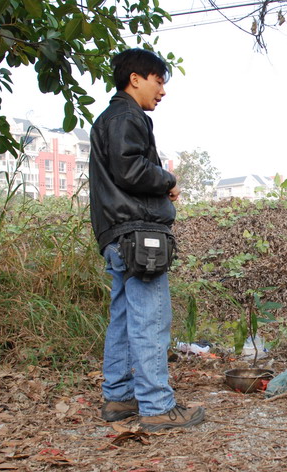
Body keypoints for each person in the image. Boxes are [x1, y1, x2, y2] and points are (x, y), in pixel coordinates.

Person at [88, 48, 205, 431]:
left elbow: (123, 170)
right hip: (138, 234)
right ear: (135, 78)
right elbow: (130, 168)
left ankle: (119, 398)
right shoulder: (127, 116)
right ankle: (156, 406)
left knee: (124, 319)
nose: (163, 91)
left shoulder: (111, 118)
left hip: (117, 234)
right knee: (151, 319)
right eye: (158, 81)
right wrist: (167, 179)